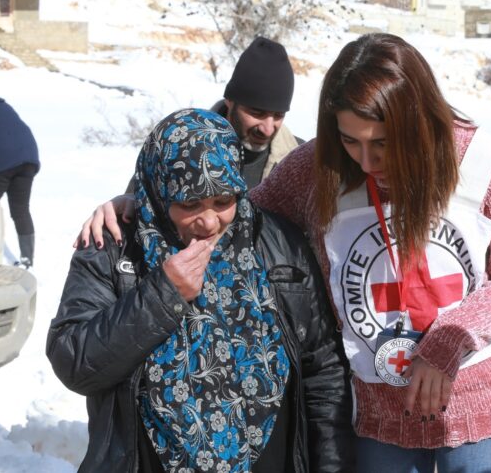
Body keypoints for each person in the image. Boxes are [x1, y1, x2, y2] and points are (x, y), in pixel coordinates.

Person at [76, 33, 491, 472]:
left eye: (382, 143)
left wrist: (447, 342)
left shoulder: (483, 163)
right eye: (349, 140)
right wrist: (141, 203)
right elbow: (233, 213)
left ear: (416, 121)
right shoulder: (318, 171)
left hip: (480, 407)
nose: (366, 161)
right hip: (379, 416)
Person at [48, 109, 353, 473]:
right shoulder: (114, 248)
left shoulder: (275, 243)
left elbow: (324, 371)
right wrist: (162, 295)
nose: (209, 222)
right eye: (190, 204)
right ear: (160, 194)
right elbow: (74, 361)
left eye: (223, 201)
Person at [76, 36, 303, 250]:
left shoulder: (299, 162)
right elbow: (138, 207)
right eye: (257, 113)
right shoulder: (180, 146)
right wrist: (118, 208)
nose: (267, 127)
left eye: (278, 115)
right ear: (230, 101)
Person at [0, 97, 39, 268]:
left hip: (6, 158)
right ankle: (27, 258)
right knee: (21, 210)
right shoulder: (5, 106)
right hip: (29, 158)